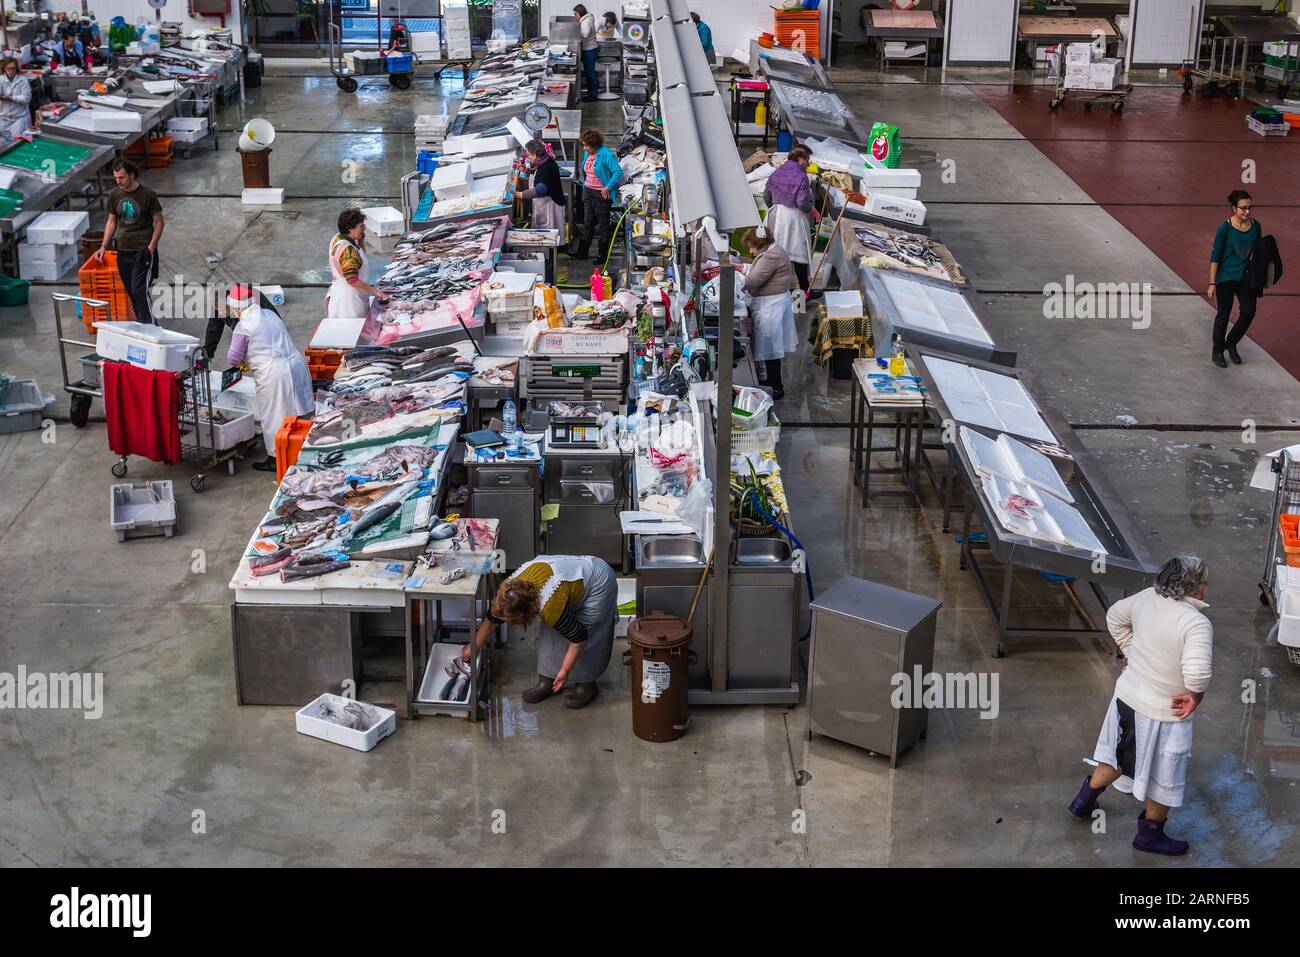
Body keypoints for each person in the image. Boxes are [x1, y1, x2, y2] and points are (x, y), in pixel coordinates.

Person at [1067, 555, 1213, 857]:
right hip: (1164, 712)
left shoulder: (1147, 597)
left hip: (1127, 699)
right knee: (1163, 773)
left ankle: (1083, 802)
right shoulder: (1195, 622)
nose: (1206, 587)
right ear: (1195, 587)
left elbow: (1115, 617)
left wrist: (1132, 654)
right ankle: (1150, 836)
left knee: (1116, 752)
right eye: (1204, 582)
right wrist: (1194, 695)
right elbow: (1197, 673)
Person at [461, 554, 619, 709]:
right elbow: (494, 618)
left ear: (527, 614)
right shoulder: (508, 590)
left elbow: (579, 639)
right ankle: (547, 682)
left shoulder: (549, 606)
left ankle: (586, 686)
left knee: (587, 631)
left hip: (598, 582)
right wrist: (473, 647)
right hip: (566, 579)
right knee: (552, 630)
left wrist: (565, 670)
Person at [225, 284, 314, 473]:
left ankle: (276, 458)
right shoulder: (270, 314)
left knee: (274, 417)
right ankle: (300, 448)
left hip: (273, 374)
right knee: (295, 413)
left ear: (237, 307)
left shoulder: (243, 326)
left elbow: (233, 358)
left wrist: (243, 361)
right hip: (296, 365)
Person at [94, 160, 164, 325]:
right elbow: (112, 222)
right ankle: (143, 323)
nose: (119, 181)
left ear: (132, 175)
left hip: (143, 250)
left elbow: (159, 222)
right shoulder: (114, 195)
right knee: (131, 292)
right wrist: (104, 245)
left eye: (122, 177)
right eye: (116, 178)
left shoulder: (148, 195)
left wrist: (151, 247)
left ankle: (152, 327)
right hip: (123, 250)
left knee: (139, 290)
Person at [742, 229, 798, 400]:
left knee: (771, 349)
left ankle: (776, 388)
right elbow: (757, 270)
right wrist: (741, 267)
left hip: (771, 306)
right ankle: (771, 382)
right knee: (770, 347)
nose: (751, 252)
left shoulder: (771, 256)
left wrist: (733, 276)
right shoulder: (773, 251)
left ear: (761, 245)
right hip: (771, 304)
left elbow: (752, 281)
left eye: (752, 248)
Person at [1208, 189, 1260, 368]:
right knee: (1223, 314)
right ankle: (1217, 351)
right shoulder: (1225, 227)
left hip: (1246, 278)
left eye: (1249, 208)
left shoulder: (1256, 226)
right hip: (1226, 277)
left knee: (1248, 313)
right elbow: (1215, 256)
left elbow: (1258, 252)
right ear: (1233, 208)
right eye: (1243, 208)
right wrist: (1212, 282)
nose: (1247, 212)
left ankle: (1231, 342)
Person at [764, 145, 818, 300]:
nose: (808, 163)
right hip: (793, 218)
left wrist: (776, 207)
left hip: (774, 216)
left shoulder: (777, 172)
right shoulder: (801, 176)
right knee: (799, 257)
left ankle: (778, 293)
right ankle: (803, 293)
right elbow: (802, 202)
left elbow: (767, 195)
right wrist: (812, 209)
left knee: (776, 256)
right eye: (807, 159)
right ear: (800, 159)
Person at [569, 130, 623, 265]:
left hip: (601, 194)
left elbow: (618, 172)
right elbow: (586, 170)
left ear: (594, 145)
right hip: (588, 191)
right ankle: (582, 252)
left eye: (586, 145)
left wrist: (608, 188)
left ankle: (602, 254)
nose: (584, 148)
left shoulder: (606, 155)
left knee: (603, 224)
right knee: (588, 222)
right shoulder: (588, 154)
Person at [325, 208, 381, 319]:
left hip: (340, 295)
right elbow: (352, 280)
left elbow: (359, 259)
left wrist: (360, 241)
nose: (364, 228)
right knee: (353, 331)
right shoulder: (348, 250)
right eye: (361, 226)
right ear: (350, 229)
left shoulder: (337, 238)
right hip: (350, 302)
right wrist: (376, 292)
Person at [517, 139, 566, 238]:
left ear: (535, 154)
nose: (527, 157)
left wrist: (521, 194)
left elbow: (541, 189)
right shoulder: (544, 161)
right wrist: (526, 170)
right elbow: (537, 175)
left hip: (549, 207)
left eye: (528, 155)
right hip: (544, 205)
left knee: (549, 237)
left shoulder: (547, 166)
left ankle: (552, 253)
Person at [0, 58, 32, 138]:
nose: (11, 71)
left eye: (13, 69)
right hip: (3, 119)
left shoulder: (23, 80)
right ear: (4, 69)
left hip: (19, 120)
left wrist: (11, 98)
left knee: (17, 143)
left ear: (16, 69)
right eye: (8, 69)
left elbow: (27, 98)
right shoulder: (0, 80)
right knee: (4, 145)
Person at [575, 4, 599, 101]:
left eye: (575, 14)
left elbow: (585, 34)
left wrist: (574, 33)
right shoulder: (587, 19)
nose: (575, 16)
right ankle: (591, 93)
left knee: (590, 73)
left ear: (580, 13)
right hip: (590, 49)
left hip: (589, 50)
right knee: (590, 72)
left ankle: (593, 96)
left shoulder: (586, 21)